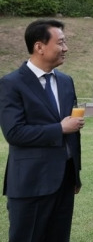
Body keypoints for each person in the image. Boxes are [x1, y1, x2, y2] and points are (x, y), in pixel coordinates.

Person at [0, 19, 84, 242]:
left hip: (64, 180)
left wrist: (75, 172)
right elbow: (14, 133)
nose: (66, 48)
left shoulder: (66, 81)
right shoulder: (11, 83)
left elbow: (74, 132)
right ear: (39, 47)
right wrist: (59, 128)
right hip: (31, 182)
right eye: (61, 43)